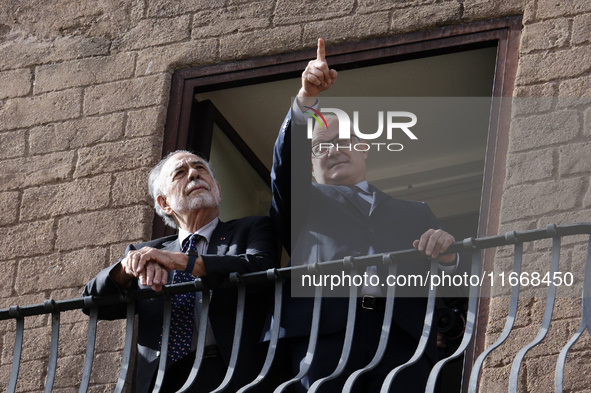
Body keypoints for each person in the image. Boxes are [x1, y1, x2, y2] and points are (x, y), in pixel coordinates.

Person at [270, 39, 458, 392]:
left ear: (363, 148)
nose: (334, 151)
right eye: (321, 147)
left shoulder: (415, 211)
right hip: (325, 336)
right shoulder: (304, 202)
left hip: (404, 340)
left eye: (343, 141)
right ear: (310, 166)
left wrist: (448, 253)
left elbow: (452, 272)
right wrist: (305, 99)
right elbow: (284, 167)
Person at [83, 150, 279, 393]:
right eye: (180, 173)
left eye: (200, 168)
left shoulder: (251, 228)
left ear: (217, 189)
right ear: (164, 203)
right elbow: (92, 303)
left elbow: (260, 267)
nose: (194, 174)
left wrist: (182, 261)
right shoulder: (146, 252)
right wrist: (128, 268)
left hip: (237, 375)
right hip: (166, 381)